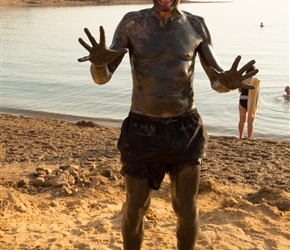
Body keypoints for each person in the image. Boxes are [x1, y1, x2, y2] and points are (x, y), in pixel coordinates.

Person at [78, 1, 258, 249]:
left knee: (186, 208)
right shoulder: (132, 22)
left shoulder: (196, 25)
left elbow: (217, 81)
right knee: (136, 206)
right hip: (142, 129)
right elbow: (102, 78)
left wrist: (228, 82)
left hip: (185, 129)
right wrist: (98, 64)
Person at [238, 65, 261, 139]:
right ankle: (249, 137)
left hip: (242, 99)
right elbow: (258, 90)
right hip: (251, 101)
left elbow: (240, 90)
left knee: (242, 120)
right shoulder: (256, 80)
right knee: (250, 121)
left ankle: (241, 136)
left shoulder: (242, 79)